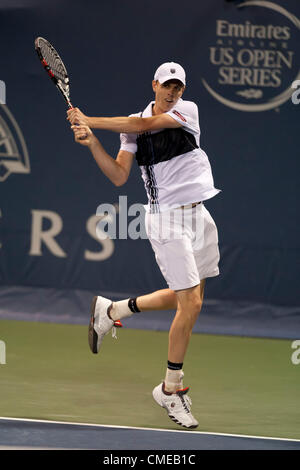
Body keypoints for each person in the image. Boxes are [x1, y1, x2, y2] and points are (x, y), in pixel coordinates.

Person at [67, 62, 220, 429]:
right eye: (167, 86)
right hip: (166, 220)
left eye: (177, 88)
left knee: (183, 296)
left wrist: (91, 118)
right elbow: (119, 175)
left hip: (199, 216)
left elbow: (143, 125)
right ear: (154, 84)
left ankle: (113, 309)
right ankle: (170, 390)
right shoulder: (133, 127)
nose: (172, 93)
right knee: (192, 302)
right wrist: (92, 143)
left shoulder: (187, 111)